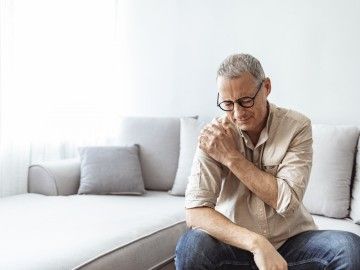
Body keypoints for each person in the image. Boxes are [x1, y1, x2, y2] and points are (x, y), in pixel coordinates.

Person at [175, 53, 360, 270]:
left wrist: (231, 158)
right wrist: (256, 243)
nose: (237, 113)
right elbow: (195, 212)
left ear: (266, 87)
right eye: (227, 103)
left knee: (350, 247)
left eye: (245, 101)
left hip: (292, 242)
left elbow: (287, 201)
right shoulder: (215, 136)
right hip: (235, 244)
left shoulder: (297, 127)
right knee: (191, 247)